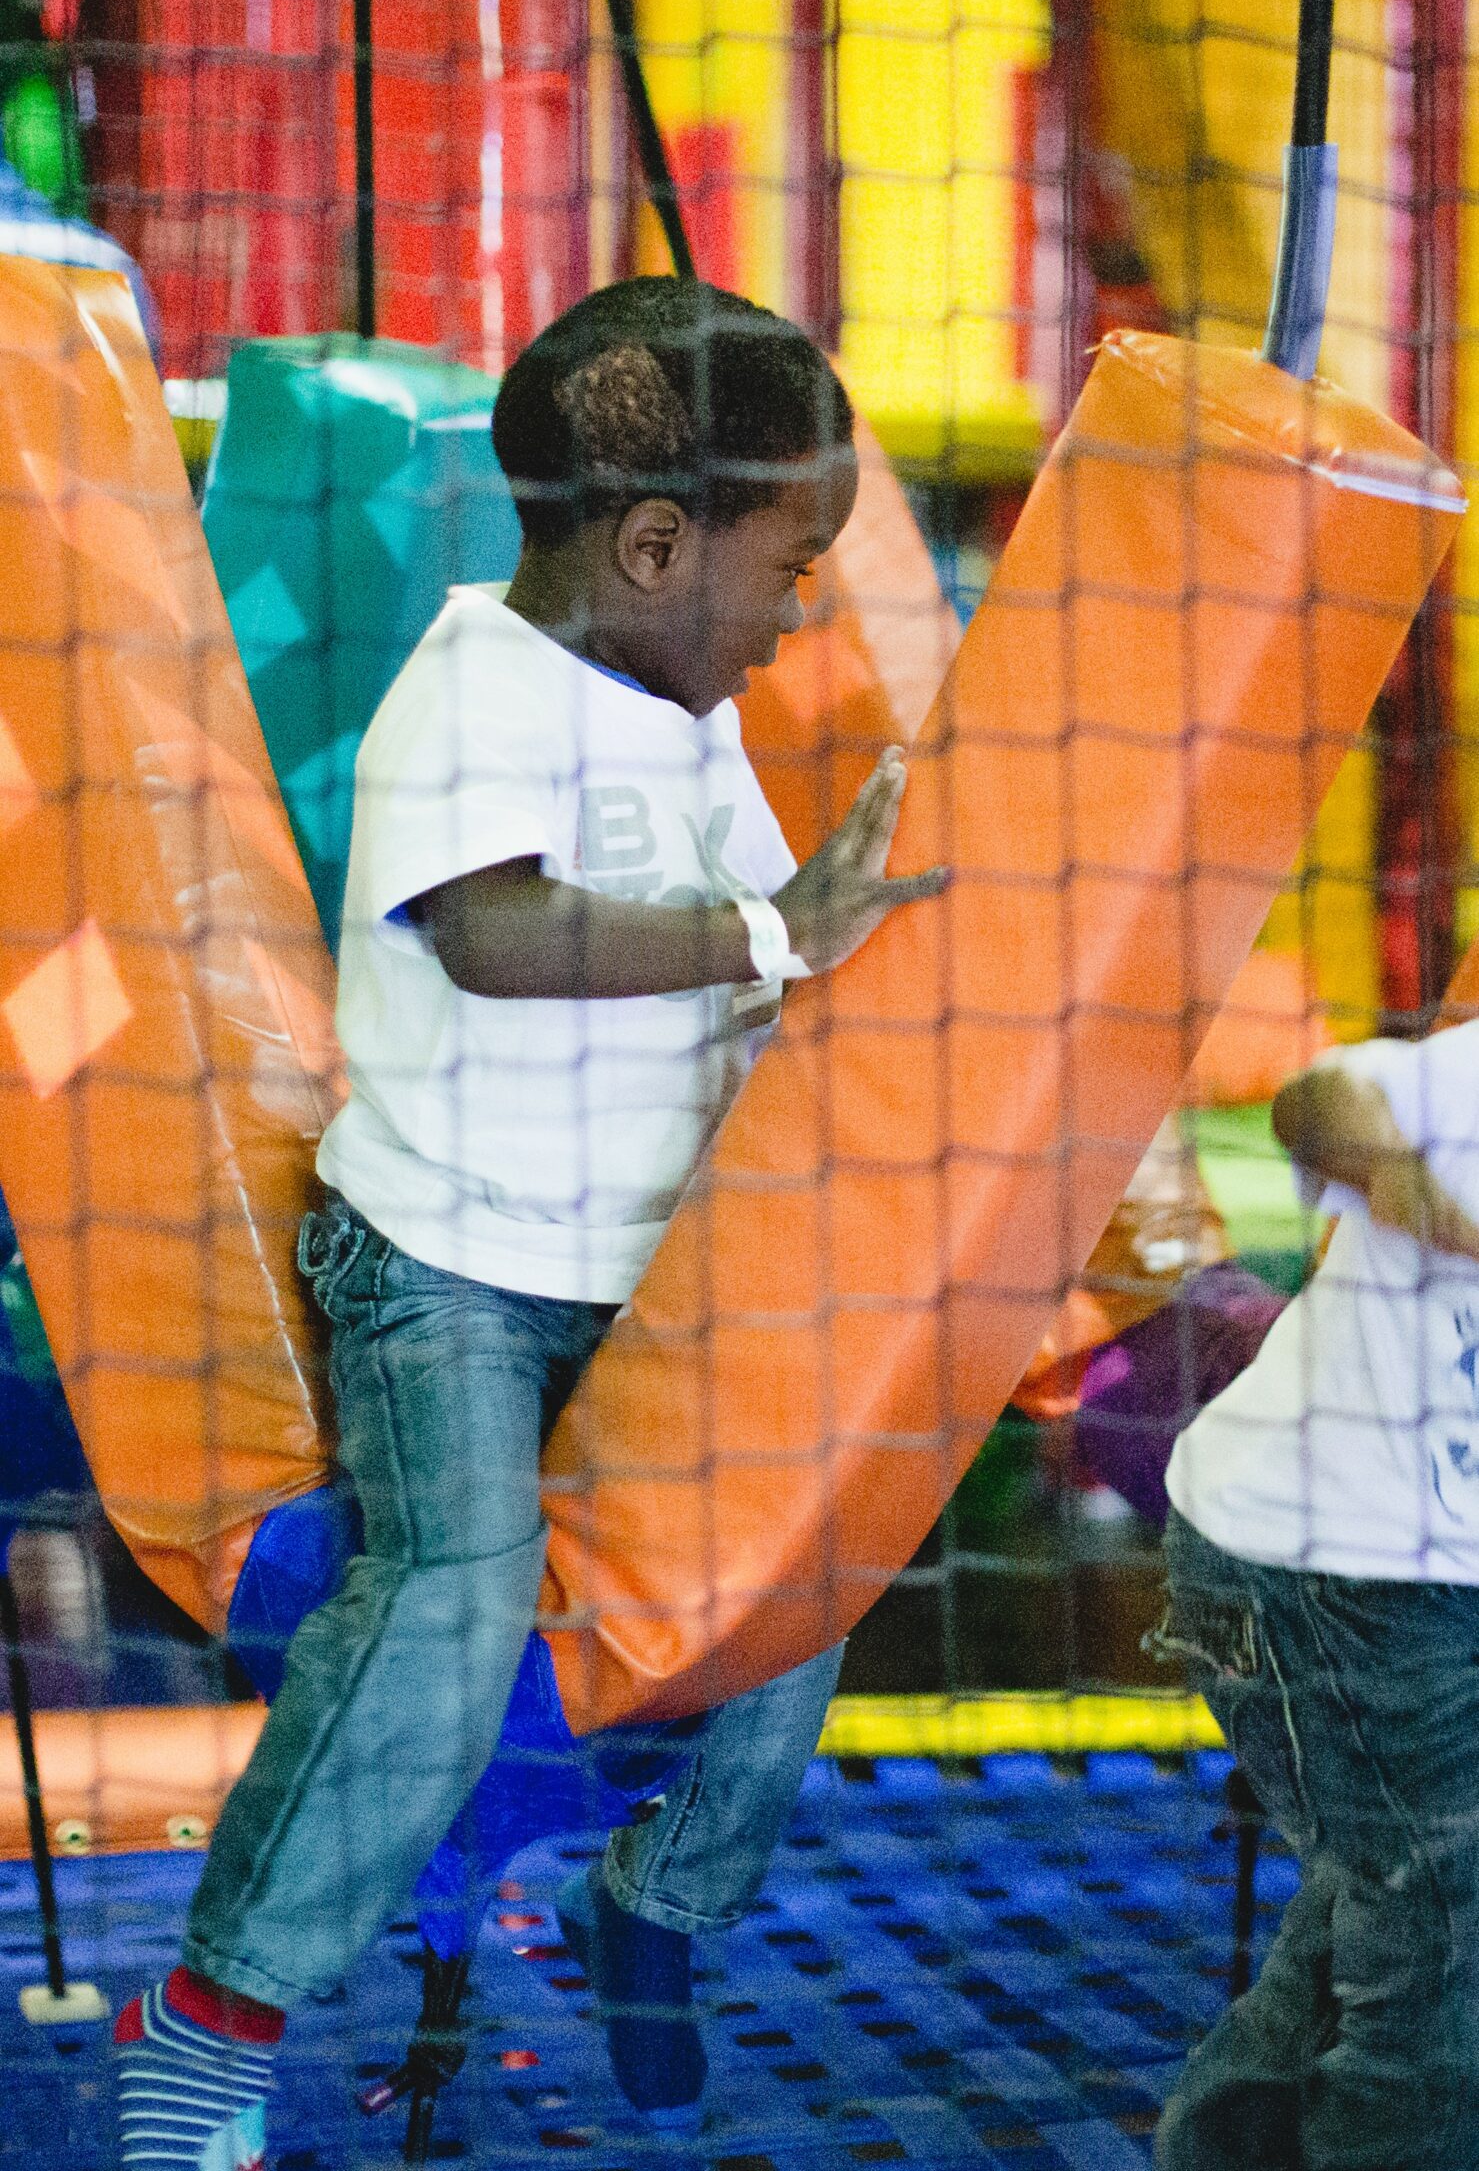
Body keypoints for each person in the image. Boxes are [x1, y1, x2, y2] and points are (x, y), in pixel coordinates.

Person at [113, 277, 947, 2168]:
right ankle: (213, 2013)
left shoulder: (687, 716)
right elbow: (492, 937)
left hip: (645, 1285)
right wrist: (767, 934)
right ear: (655, 545)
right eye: (788, 563)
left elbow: (750, 982)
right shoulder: (474, 689)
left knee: (806, 1563)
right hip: (449, 1276)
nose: (800, 605)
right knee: (448, 1597)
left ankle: (656, 1891)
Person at [1152, 1023, 1479, 2171]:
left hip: (1425, 1579)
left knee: (1395, 1901)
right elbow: (1318, 1100)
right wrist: (1413, 1190)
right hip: (1321, 1572)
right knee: (1447, 1945)